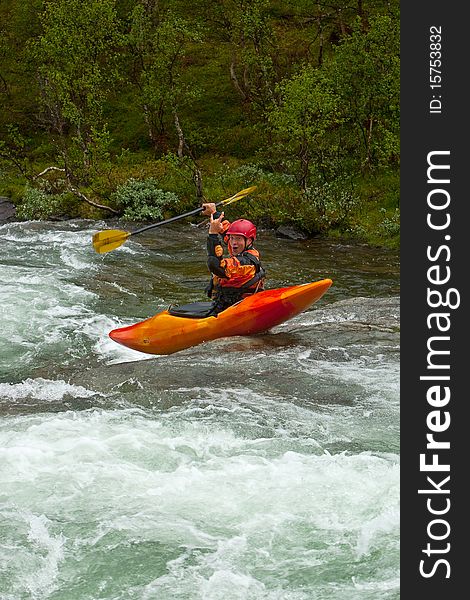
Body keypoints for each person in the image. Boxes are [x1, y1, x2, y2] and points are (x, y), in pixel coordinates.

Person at [201, 202, 266, 315]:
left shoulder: (245, 263)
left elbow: (216, 266)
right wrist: (213, 213)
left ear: (249, 241)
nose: (233, 243)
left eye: (238, 239)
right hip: (226, 303)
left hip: (237, 307)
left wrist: (212, 234)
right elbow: (226, 231)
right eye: (232, 238)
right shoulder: (241, 247)